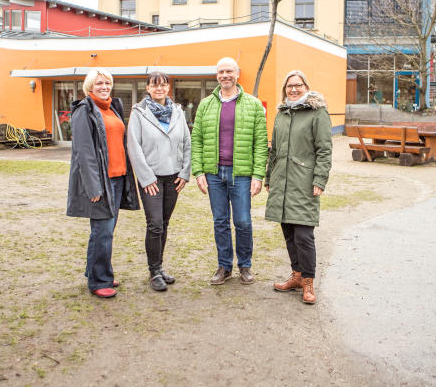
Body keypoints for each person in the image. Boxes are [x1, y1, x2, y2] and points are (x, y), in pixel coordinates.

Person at [191, 57, 268, 285]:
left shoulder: (253, 104)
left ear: (238, 73)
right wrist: (199, 172)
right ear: (217, 75)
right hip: (213, 174)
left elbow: (261, 142)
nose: (225, 75)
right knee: (220, 221)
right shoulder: (206, 104)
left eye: (229, 71)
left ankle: (245, 265)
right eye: (221, 72)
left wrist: (257, 175)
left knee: (243, 221)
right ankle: (224, 266)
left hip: (241, 174)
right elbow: (197, 140)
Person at [66, 68, 139, 299]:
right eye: (99, 83)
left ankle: (96, 271)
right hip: (101, 181)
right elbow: (84, 153)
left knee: (104, 231)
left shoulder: (112, 109)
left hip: (117, 178)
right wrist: (93, 186)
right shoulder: (83, 111)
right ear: (89, 87)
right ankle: (99, 281)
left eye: (107, 82)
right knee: (103, 231)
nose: (104, 86)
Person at [265, 70, 332, 304]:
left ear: (306, 86)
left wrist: (319, 180)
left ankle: (308, 282)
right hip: (282, 182)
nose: (293, 89)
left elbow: (324, 149)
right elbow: (273, 149)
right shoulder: (281, 114)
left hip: (304, 182)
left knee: (304, 235)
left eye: (298, 85)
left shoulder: (317, 113)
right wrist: (268, 179)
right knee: (289, 233)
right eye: (289, 86)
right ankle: (296, 275)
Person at [127, 71, 191, 292]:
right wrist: (145, 178)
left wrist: (184, 173)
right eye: (154, 85)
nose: (159, 89)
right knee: (154, 224)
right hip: (151, 179)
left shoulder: (177, 112)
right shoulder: (139, 113)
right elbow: (134, 147)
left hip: (173, 178)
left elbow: (186, 143)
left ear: (168, 88)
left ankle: (160, 266)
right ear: (147, 88)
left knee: (164, 223)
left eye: (163, 85)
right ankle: (153, 271)